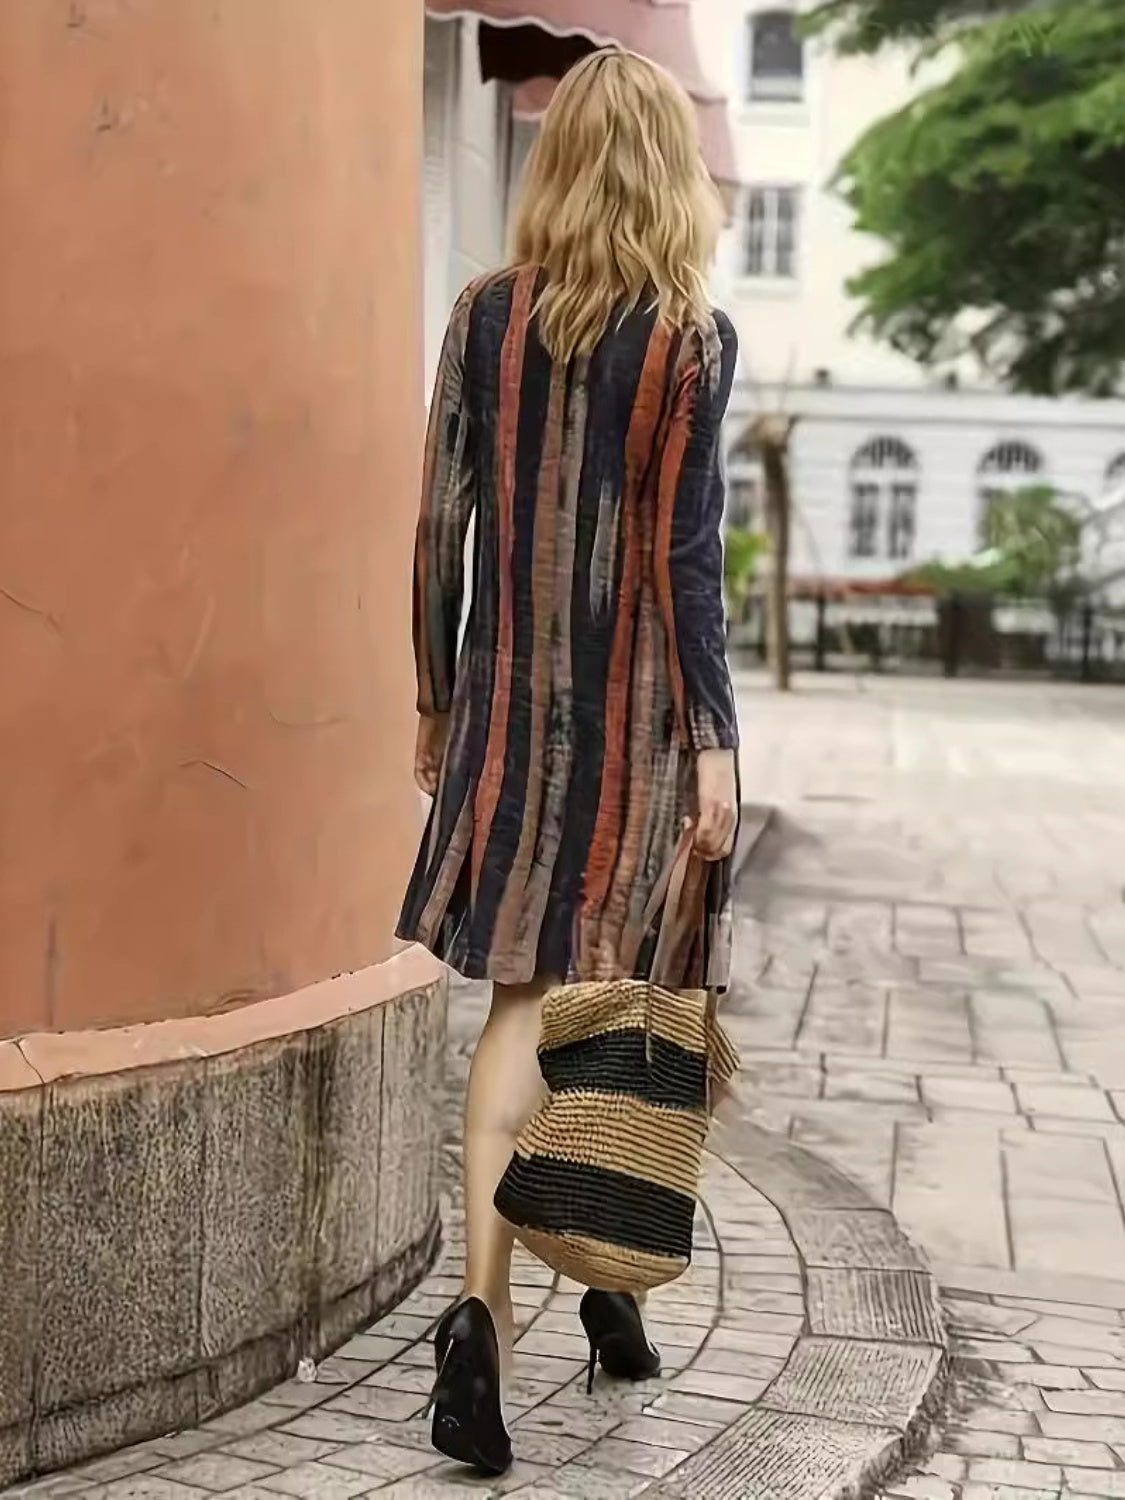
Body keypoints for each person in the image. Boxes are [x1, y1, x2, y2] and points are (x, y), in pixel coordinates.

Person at [396, 47, 740, 1475]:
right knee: (624, 996)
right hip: (637, 725)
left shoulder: (482, 316)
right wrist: (715, 742)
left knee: (521, 1004)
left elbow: (440, 525)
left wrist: (434, 699)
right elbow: (686, 562)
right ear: (666, 173)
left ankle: (489, 1317)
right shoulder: (688, 341)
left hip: (503, 709)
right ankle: (604, 1279)